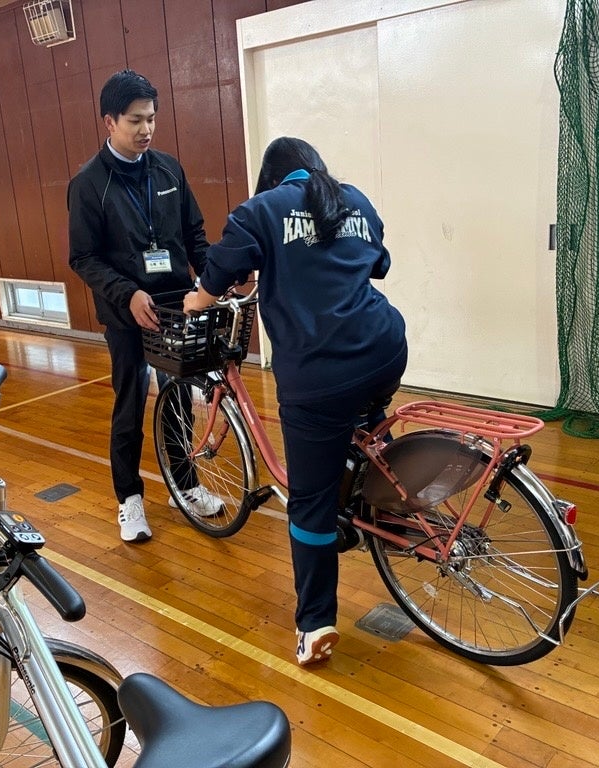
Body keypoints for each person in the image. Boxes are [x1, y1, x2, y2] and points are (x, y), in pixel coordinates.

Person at [183, 137, 408, 665]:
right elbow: (380, 265)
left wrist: (198, 299)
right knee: (365, 414)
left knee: (310, 499)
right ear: (315, 170)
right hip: (384, 347)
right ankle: (393, 511)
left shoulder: (259, 211)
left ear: (272, 179)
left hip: (319, 375)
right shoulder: (353, 199)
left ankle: (315, 625)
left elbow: (217, 275)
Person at [68, 69, 222, 543]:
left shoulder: (170, 169)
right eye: (135, 120)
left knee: (176, 399)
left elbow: (194, 235)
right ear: (109, 121)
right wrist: (127, 293)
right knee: (131, 405)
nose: (146, 129)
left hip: (175, 307)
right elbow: (83, 258)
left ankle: (186, 485)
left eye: (152, 118)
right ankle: (129, 499)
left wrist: (215, 277)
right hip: (126, 314)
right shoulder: (89, 185)